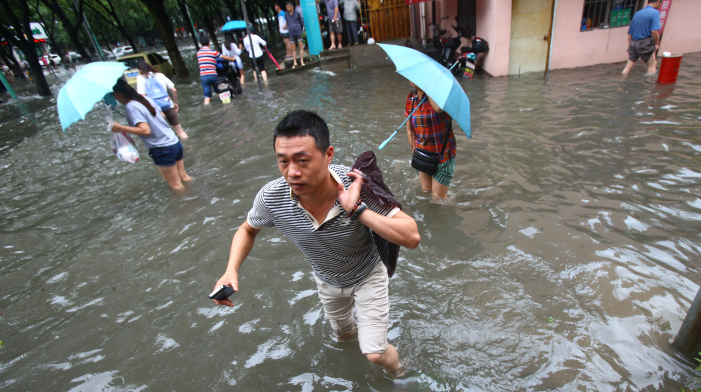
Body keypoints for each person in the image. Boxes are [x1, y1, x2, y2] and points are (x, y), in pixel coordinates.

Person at [212, 110, 420, 374]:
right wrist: (231, 270)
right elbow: (247, 230)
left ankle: (398, 375)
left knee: (375, 353)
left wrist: (357, 210)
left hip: (368, 275)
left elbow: (411, 235)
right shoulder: (272, 198)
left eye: (302, 160)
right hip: (327, 279)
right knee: (343, 335)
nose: (293, 172)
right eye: (283, 162)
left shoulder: (357, 183)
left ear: (328, 154)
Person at [110, 78, 192, 191]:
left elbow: (145, 131)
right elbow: (162, 116)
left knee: (176, 186)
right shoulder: (145, 98)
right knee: (184, 177)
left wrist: (119, 127)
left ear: (117, 94)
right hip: (174, 142)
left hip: (162, 148)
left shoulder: (131, 106)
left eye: (114, 97)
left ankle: (190, 207)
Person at [405, 81, 456, 200]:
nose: (412, 79)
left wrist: (428, 87)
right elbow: (410, 129)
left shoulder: (441, 95)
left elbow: (438, 109)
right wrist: (413, 148)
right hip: (422, 155)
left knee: (438, 198)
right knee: (426, 193)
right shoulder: (410, 98)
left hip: (443, 155)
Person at [136, 61, 188, 140]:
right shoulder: (160, 75)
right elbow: (174, 90)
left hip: (155, 110)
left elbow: (142, 95)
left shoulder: (140, 78)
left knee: (164, 133)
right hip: (168, 105)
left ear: (140, 70)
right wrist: (175, 103)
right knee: (181, 132)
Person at [621, 0, 662, 75]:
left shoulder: (637, 13)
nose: (660, 5)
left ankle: (621, 80)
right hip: (645, 43)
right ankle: (648, 85)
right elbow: (654, 31)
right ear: (658, 1)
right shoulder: (655, 12)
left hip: (633, 42)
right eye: (660, 3)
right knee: (652, 65)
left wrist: (631, 46)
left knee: (628, 67)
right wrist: (657, 43)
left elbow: (630, 34)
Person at [196, 35, 235, 105]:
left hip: (203, 76)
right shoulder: (213, 52)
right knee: (220, 90)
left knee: (207, 96)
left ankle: (207, 108)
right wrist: (232, 59)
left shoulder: (198, 53)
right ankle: (228, 105)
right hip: (213, 75)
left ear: (201, 44)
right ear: (209, 43)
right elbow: (224, 57)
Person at [284, 1, 305, 68]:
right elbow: (287, 21)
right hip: (291, 33)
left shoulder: (297, 13)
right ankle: (295, 62)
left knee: (301, 46)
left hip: (298, 31)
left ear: (292, 6)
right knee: (293, 47)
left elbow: (301, 23)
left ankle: (302, 60)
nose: (288, 8)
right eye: (287, 7)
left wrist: (301, 30)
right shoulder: (286, 14)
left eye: (289, 7)